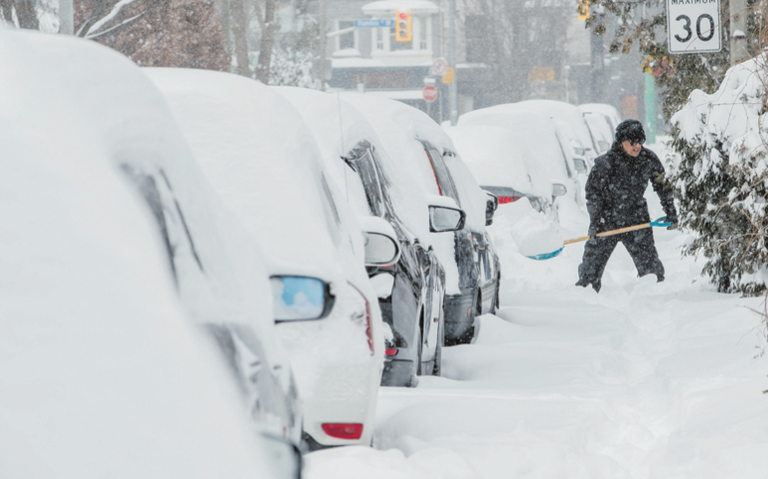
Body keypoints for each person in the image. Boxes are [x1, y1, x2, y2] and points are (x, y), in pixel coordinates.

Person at [575, 119, 678, 293]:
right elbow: (593, 195)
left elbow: (663, 186)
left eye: (640, 142)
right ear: (621, 141)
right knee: (589, 272)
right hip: (606, 220)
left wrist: (670, 212)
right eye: (632, 142)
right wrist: (594, 223)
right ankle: (585, 302)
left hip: (636, 219)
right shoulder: (604, 164)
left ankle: (654, 301)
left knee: (651, 271)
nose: (637, 146)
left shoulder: (648, 159)